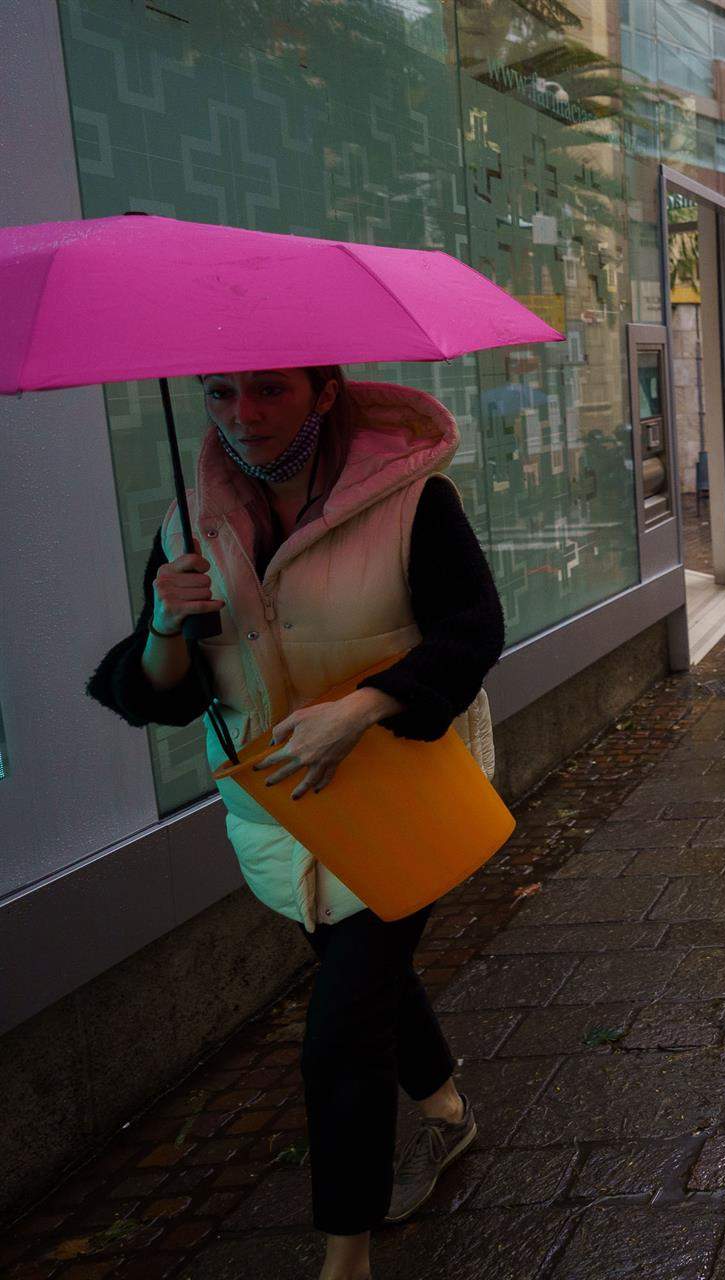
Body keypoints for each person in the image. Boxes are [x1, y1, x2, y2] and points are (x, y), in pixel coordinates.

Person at [86, 367, 506, 1280]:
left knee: (341, 1031)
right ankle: (445, 1114)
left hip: (402, 796)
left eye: (270, 391)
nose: (244, 415)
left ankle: (343, 1259)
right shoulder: (187, 526)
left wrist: (360, 709)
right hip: (281, 818)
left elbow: (472, 632)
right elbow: (164, 695)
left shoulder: (413, 503)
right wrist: (162, 625)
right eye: (221, 393)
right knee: (370, 984)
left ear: (323, 393)